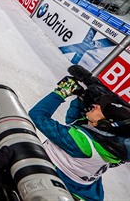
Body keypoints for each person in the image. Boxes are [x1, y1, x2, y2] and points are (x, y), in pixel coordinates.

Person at [28, 66, 130, 201]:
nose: (96, 105)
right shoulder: (114, 141)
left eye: (101, 108)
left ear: (105, 124)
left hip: (59, 188)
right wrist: (82, 98)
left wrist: (61, 92)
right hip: (85, 192)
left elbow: (38, 115)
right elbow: (74, 121)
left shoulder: (80, 141)